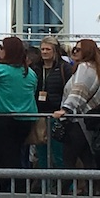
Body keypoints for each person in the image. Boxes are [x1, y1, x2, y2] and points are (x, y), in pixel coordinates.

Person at [0, 36, 37, 186]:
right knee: (18, 155)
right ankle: (20, 188)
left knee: (3, 157)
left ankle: (6, 190)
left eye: (2, 48)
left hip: (1, 119)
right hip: (25, 120)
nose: (0, 51)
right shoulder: (30, 72)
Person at [53, 39, 100, 174]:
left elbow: (78, 90)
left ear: (87, 52)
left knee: (69, 161)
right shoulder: (99, 70)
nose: (74, 52)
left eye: (78, 49)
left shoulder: (84, 67)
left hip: (77, 120)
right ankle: (94, 186)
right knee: (88, 159)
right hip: (89, 120)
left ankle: (64, 187)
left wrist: (65, 109)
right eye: (74, 49)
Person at [32, 36, 73, 170]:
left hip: (57, 114)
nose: (44, 52)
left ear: (55, 50)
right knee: (41, 153)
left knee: (59, 153)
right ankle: (45, 181)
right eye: (42, 49)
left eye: (47, 49)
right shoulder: (35, 68)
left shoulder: (64, 68)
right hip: (39, 114)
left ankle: (63, 181)